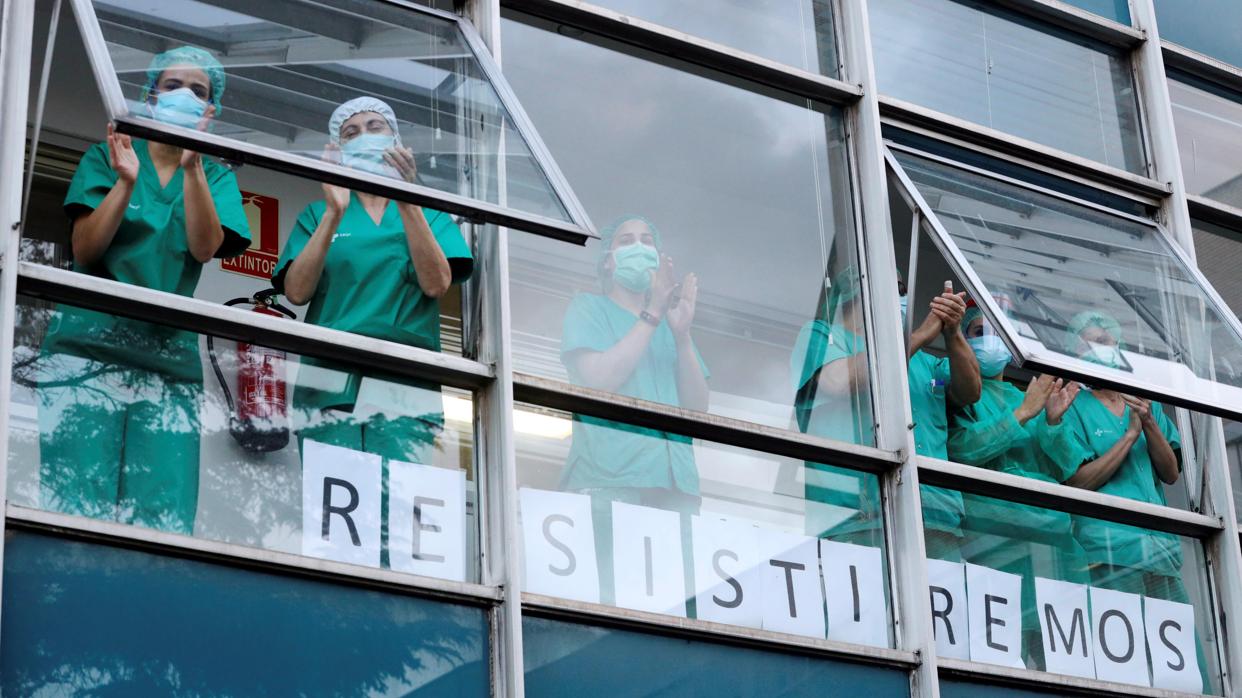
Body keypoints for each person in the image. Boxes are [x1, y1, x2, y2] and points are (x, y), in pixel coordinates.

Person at [37, 46, 251, 534]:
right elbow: (87, 249)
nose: (184, 96)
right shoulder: (109, 157)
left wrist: (194, 167)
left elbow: (204, 247)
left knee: (162, 511)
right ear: (149, 94)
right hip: (86, 350)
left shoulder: (215, 175)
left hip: (166, 360)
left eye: (198, 91)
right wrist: (126, 183)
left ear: (211, 111)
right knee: (76, 501)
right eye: (172, 86)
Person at [272, 97, 473, 566]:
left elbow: (436, 282)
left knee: (403, 536)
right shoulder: (317, 213)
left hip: (406, 389)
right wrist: (332, 213)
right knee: (337, 535)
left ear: (397, 139)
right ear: (336, 150)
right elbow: (297, 292)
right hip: (331, 388)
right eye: (351, 132)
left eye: (375, 126)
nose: (364, 136)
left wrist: (409, 201)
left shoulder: (429, 214)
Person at [559, 215, 709, 604]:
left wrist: (683, 337)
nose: (638, 247)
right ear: (608, 262)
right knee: (614, 606)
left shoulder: (671, 327)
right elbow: (600, 380)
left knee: (678, 613)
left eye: (647, 240)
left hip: (675, 491)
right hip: (611, 486)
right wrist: (652, 314)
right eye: (626, 240)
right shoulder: (587, 308)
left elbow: (698, 409)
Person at [948, 301, 1088, 667]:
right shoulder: (957, 393)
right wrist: (1024, 414)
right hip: (990, 549)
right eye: (978, 332)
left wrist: (1053, 422)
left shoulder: (1028, 396)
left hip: (1051, 553)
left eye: (997, 333)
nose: (989, 342)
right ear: (962, 339)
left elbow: (1066, 467)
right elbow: (961, 450)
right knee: (998, 663)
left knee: (1060, 664)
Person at [789, 266, 883, 545]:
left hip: (890, 510)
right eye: (896, 288)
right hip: (841, 515)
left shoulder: (910, 357)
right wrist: (903, 344)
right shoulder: (818, 334)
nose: (900, 298)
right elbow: (837, 381)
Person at [904, 278, 981, 561]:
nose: (899, 295)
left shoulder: (929, 364)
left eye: (902, 290)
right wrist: (924, 333)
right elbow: (850, 380)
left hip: (938, 512)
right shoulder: (831, 338)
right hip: (872, 506)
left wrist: (952, 330)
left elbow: (971, 390)